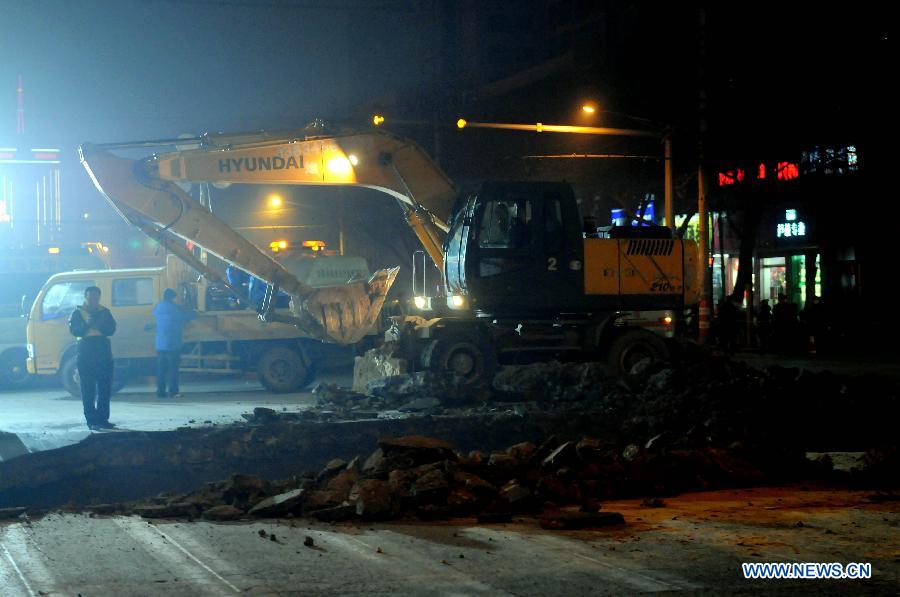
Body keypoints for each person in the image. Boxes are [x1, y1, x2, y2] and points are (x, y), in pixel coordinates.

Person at [68, 286, 117, 430]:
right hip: (86, 352)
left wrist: (100, 325)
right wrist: (87, 323)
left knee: (104, 388)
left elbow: (112, 330)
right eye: (90, 298)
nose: (93, 301)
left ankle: (103, 419)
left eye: (96, 298)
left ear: (99, 298)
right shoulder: (77, 313)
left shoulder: (105, 312)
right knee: (87, 388)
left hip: (103, 352)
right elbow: (75, 330)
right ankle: (91, 420)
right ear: (85, 297)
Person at [153, 288, 196, 398]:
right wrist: (193, 313)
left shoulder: (158, 307)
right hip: (173, 343)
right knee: (173, 369)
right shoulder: (173, 308)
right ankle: (173, 391)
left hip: (160, 343)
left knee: (161, 369)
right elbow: (185, 317)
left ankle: (160, 392)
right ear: (172, 297)